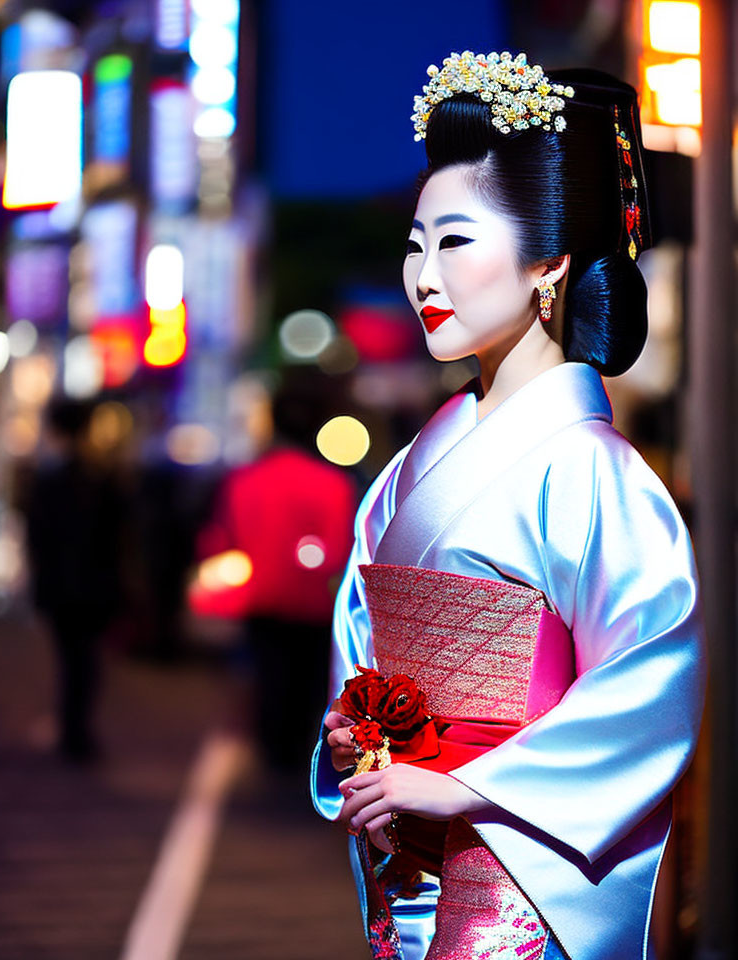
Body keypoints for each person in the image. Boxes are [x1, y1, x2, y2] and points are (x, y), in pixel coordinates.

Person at [310, 52, 706, 960]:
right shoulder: (417, 460)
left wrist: (470, 786)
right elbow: (363, 633)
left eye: (453, 242)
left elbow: (651, 678)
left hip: (519, 860)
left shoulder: (591, 468)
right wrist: (360, 740)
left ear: (549, 264)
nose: (422, 275)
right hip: (411, 832)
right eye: (414, 245)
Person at [197, 378, 357, 771]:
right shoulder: (333, 484)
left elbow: (220, 541)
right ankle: (300, 756)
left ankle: (273, 755)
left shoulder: (244, 479)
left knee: (269, 679)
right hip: (315, 602)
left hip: (263, 597)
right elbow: (338, 550)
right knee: (307, 685)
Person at [26, 400, 123, 762]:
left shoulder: (50, 479)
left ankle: (73, 730)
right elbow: (116, 538)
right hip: (94, 587)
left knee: (72, 660)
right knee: (85, 661)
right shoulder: (103, 477)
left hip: (62, 587)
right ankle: (76, 730)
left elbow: (38, 538)